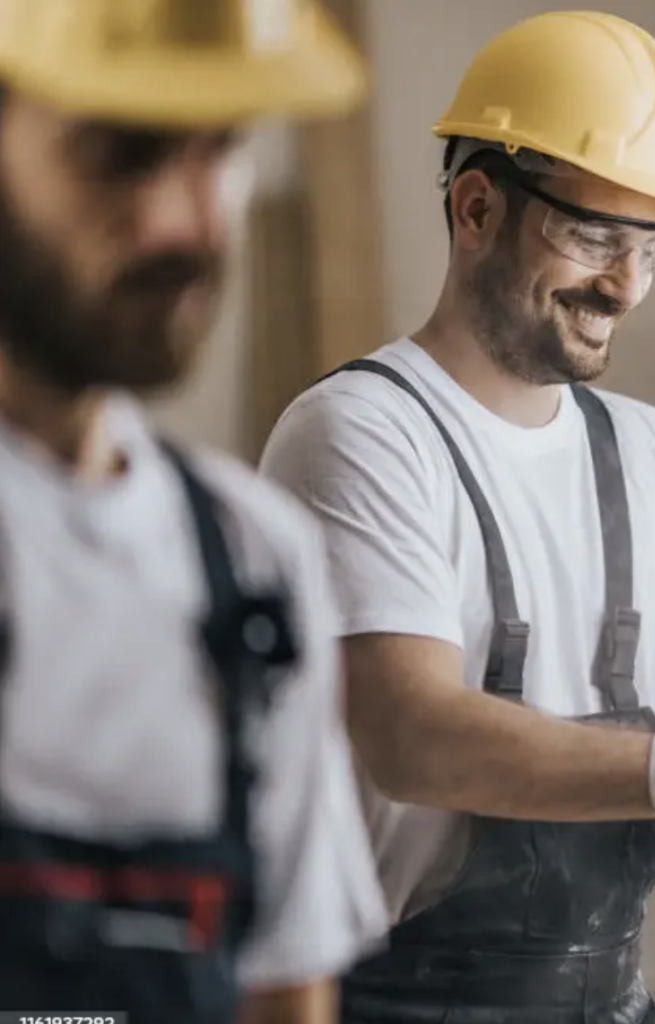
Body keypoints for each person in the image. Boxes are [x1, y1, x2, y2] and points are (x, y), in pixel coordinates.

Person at [260, 10, 655, 1024]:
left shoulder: (650, 453)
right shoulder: (361, 434)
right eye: (593, 234)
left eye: (652, 245)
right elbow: (414, 738)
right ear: (474, 209)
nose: (626, 285)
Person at [0, 1, 387, 1023]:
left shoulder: (257, 567)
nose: (192, 223)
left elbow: (286, 988)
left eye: (221, 149)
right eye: (122, 154)